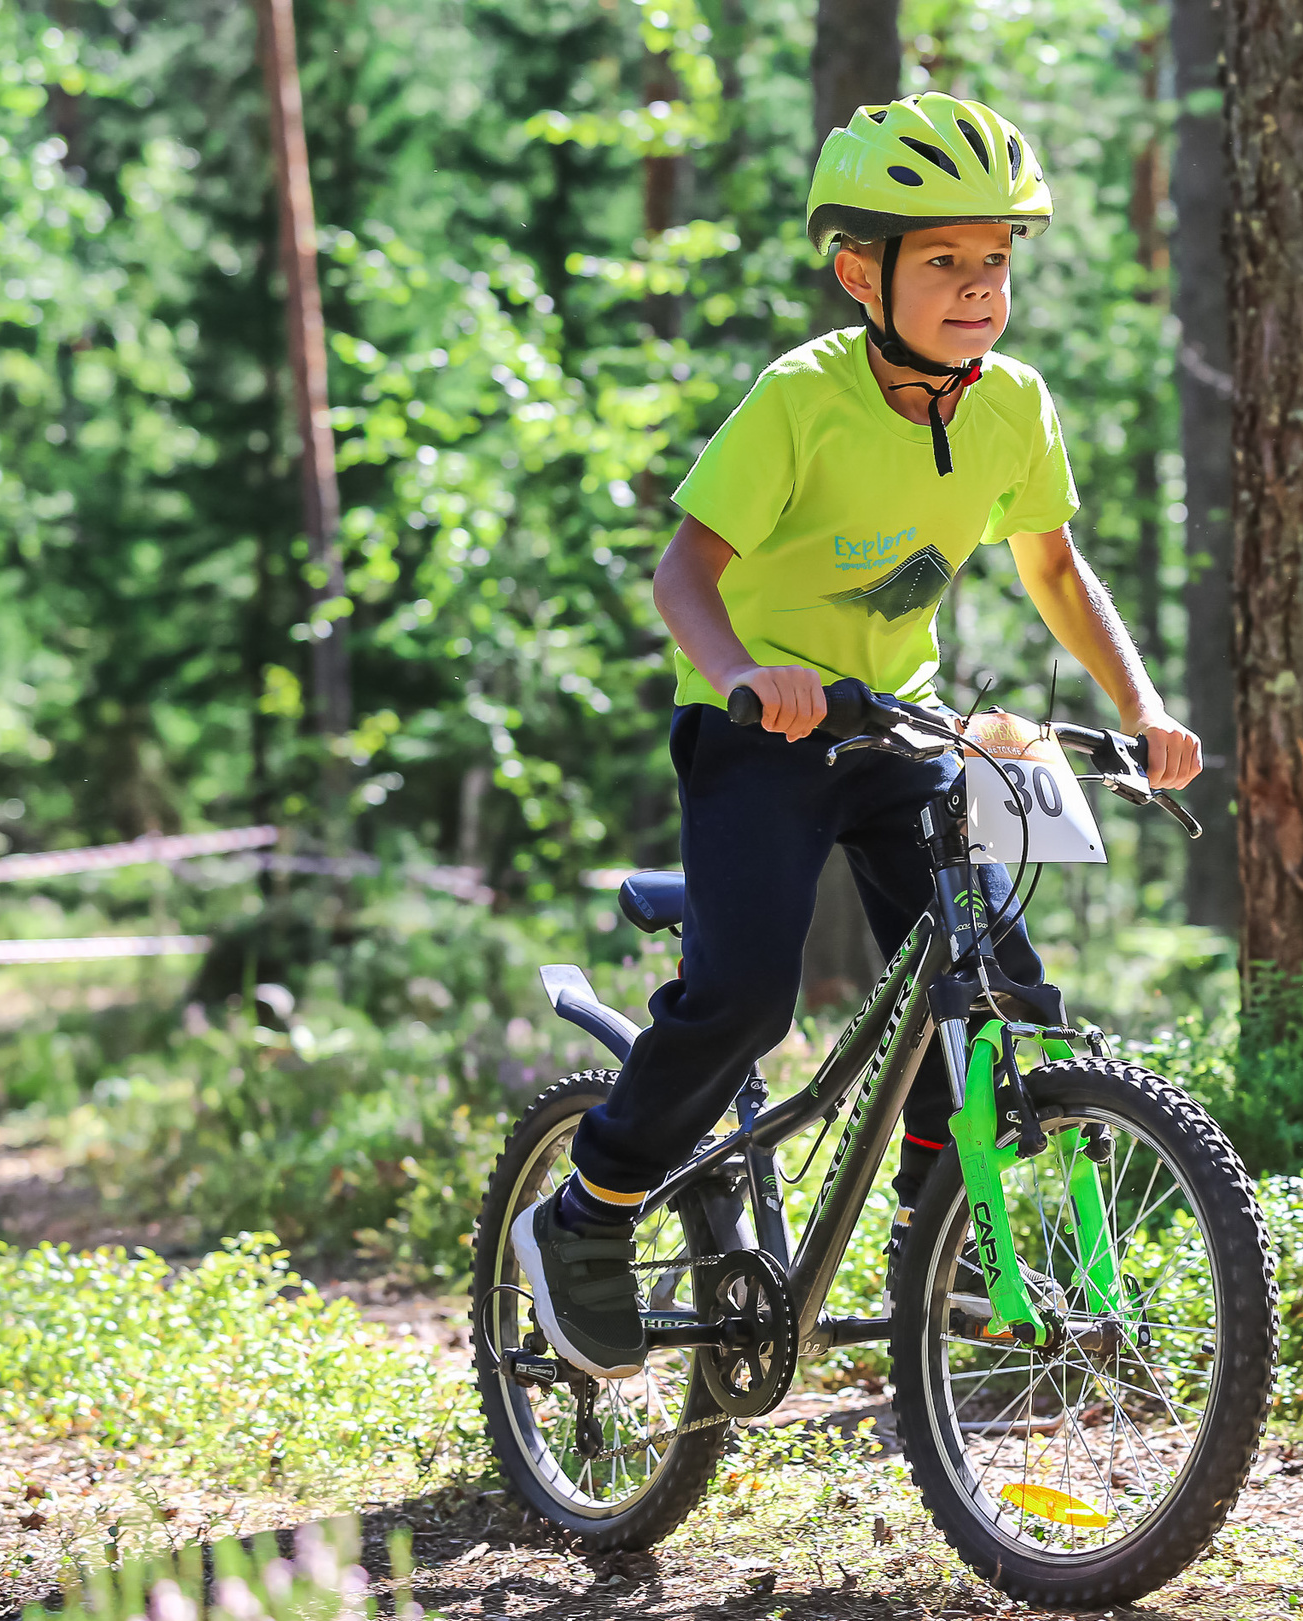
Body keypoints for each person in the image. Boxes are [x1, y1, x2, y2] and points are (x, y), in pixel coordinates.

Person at [513, 92, 1202, 1379]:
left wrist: (1140, 705)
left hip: (902, 727)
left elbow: (1054, 568)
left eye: (994, 261)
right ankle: (588, 1211)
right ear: (859, 272)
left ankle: (932, 1240)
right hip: (763, 733)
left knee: (1002, 993)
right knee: (745, 997)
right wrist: (738, 676)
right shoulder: (803, 399)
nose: (977, 288)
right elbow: (684, 572)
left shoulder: (1012, 404)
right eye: (942, 261)